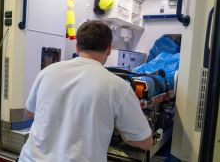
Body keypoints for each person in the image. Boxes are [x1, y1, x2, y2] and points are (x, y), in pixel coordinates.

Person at [19, 20, 153, 162]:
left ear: (77, 47)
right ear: (108, 49)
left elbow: (29, 113)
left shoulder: (47, 72)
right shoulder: (118, 87)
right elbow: (145, 142)